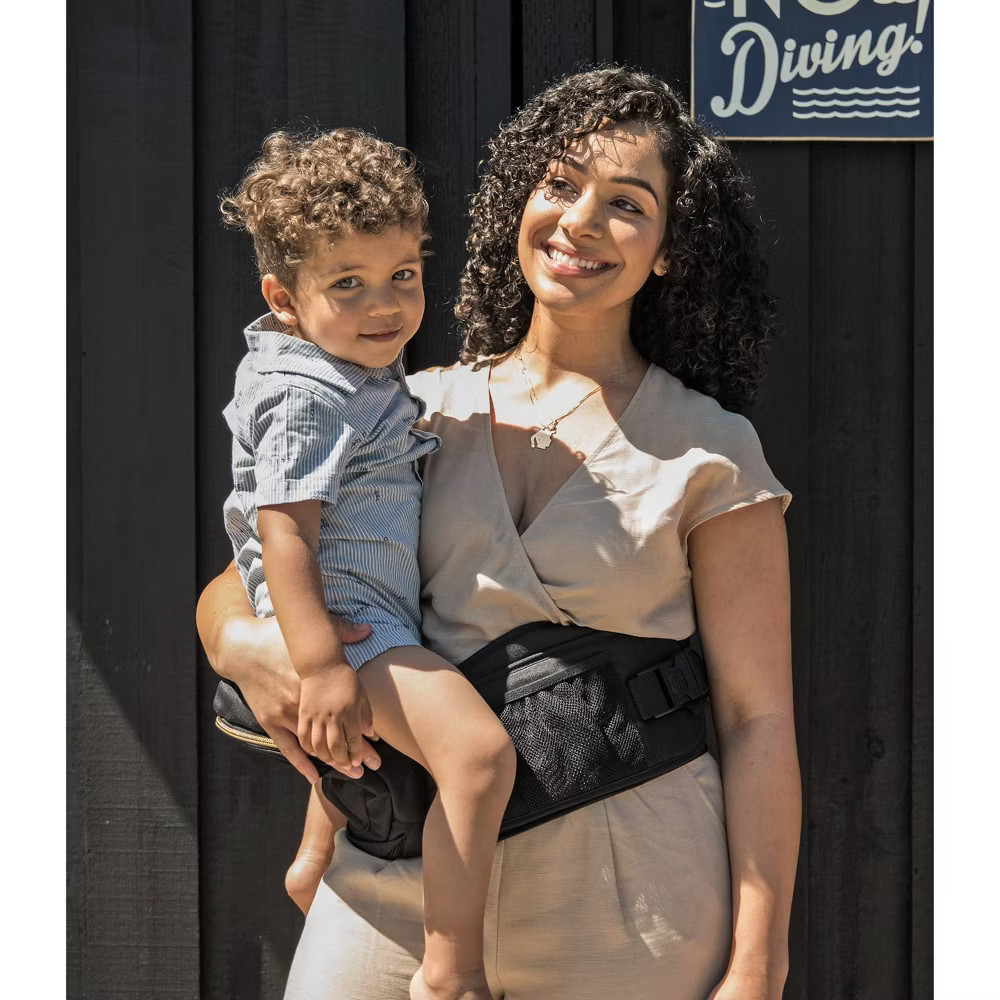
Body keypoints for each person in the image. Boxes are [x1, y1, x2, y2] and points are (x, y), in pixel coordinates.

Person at [198, 66, 800, 1000]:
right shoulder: (406, 407)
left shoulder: (710, 450)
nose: (580, 221)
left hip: (631, 900)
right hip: (401, 880)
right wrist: (246, 647)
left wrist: (760, 964)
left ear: (669, 248)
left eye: (626, 204)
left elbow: (757, 718)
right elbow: (252, 570)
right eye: (559, 184)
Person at [217, 127, 516, 1000]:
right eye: (347, 283)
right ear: (284, 298)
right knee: (477, 758)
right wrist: (319, 667)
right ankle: (451, 968)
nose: (384, 305)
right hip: (350, 627)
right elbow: (284, 533)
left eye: (403, 276)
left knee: (354, 756)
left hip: (359, 617)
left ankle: (314, 861)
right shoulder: (308, 394)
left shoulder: (348, 369)